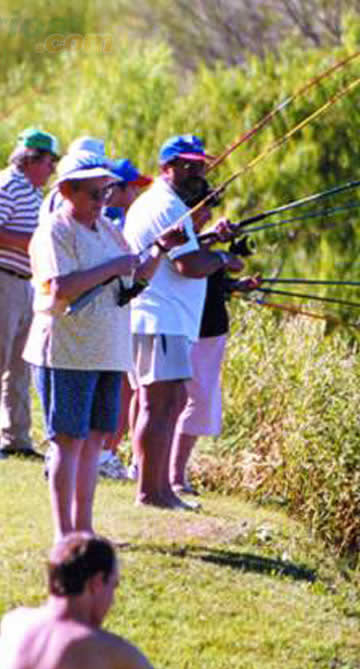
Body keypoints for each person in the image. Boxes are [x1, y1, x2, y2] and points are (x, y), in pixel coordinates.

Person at [23, 149, 183, 540]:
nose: (101, 202)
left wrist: (159, 250)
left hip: (109, 350)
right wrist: (113, 268)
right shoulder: (54, 230)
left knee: (94, 442)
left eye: (105, 193)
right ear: (66, 191)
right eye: (93, 194)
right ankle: (65, 535)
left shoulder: (109, 229)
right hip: (65, 351)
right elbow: (59, 287)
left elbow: (132, 282)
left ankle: (86, 529)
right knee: (67, 441)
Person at [123, 135, 243, 509]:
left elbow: (187, 252)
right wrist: (224, 260)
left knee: (169, 402)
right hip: (161, 318)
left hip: (165, 319)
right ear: (166, 167)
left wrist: (208, 244)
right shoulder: (167, 206)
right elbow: (188, 265)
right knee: (158, 405)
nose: (196, 172)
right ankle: (151, 492)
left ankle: (160, 489)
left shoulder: (171, 206)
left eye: (200, 166)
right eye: (187, 165)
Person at [0, 532, 198, 669]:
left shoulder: (13, 623)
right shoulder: (109, 650)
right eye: (113, 586)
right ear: (97, 582)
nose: (112, 600)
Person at [0, 128, 60, 460]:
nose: (52, 169)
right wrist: (33, 244)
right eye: (51, 161)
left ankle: (17, 437)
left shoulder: (34, 191)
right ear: (32, 159)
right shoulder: (8, 184)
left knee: (20, 363)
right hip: (0, 279)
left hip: (25, 282)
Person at [170, 177, 260, 494]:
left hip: (209, 326)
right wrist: (223, 257)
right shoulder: (184, 238)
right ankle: (175, 477)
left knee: (195, 399)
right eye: (204, 208)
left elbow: (210, 281)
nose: (208, 215)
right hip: (200, 329)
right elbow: (193, 269)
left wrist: (237, 286)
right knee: (194, 400)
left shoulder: (194, 239)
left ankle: (172, 474)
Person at [96, 158, 154, 480]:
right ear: (114, 188)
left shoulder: (121, 219)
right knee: (121, 389)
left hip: (123, 312)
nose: (135, 195)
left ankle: (110, 454)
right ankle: (104, 454)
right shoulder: (108, 222)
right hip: (111, 314)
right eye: (132, 187)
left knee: (126, 389)